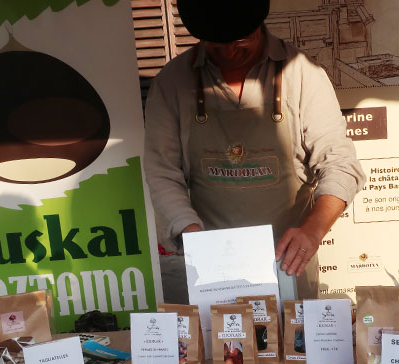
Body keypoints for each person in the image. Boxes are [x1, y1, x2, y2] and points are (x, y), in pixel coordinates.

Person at [144, 0, 365, 302]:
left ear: (259, 25)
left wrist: (312, 231)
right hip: (212, 269)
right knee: (220, 333)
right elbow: (162, 172)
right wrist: (190, 232)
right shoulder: (173, 82)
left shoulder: (302, 73)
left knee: (293, 332)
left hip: (288, 265)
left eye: (239, 41)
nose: (228, 53)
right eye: (215, 44)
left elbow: (340, 164)